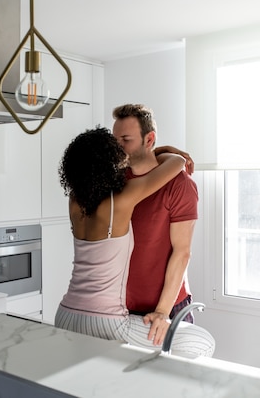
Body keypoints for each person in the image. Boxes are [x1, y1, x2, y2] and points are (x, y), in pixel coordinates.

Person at [54, 127, 214, 357]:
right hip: (106, 321)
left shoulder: (75, 199)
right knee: (203, 342)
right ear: (111, 160)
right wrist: (164, 150)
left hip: (66, 314)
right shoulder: (123, 198)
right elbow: (176, 163)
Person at [112, 103, 198, 348]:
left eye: (125, 139)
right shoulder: (116, 179)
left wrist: (162, 311)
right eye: (114, 139)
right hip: (123, 309)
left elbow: (182, 252)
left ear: (149, 139)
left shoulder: (180, 184)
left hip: (166, 309)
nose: (117, 147)